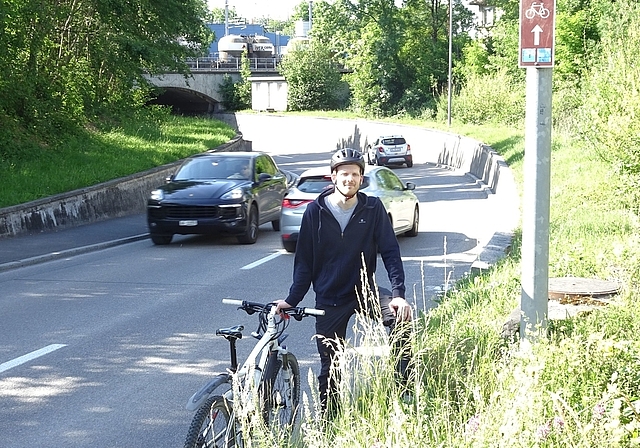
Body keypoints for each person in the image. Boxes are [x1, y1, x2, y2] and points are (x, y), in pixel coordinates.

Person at [275, 148, 412, 416]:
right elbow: (304, 262)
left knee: (401, 317)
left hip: (365, 291)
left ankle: (403, 391)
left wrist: (398, 293)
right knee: (331, 366)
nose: (350, 179)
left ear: (361, 178)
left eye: (355, 174)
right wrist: (292, 299)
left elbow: (391, 252)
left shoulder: (372, 209)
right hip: (330, 297)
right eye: (344, 174)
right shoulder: (315, 211)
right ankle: (330, 422)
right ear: (334, 177)